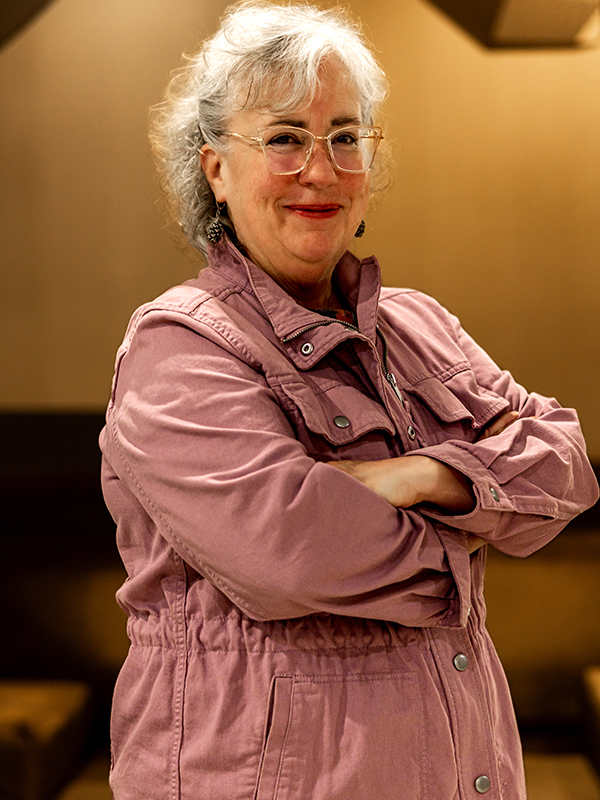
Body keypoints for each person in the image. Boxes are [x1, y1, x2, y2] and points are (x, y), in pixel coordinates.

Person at [99, 2, 599, 798]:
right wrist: (477, 533)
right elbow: (290, 553)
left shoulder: (420, 324)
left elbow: (568, 464)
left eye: (345, 136)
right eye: (286, 138)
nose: (322, 170)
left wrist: (429, 477)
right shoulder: (180, 348)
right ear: (215, 169)